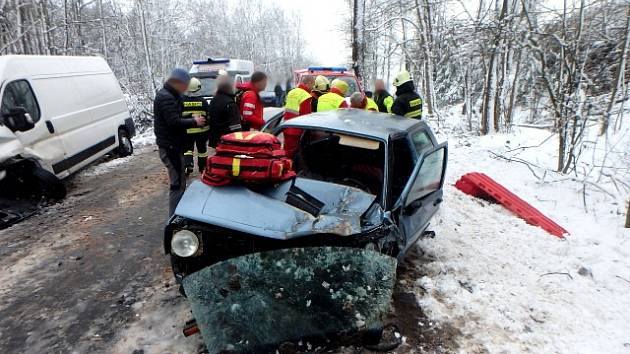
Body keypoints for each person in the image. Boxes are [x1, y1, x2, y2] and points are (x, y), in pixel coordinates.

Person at [154, 68, 206, 216]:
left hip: (174, 145)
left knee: (180, 180)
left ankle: (181, 212)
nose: (186, 88)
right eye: (185, 85)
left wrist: (190, 114)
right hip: (169, 147)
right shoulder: (166, 97)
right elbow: (173, 122)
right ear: (178, 83)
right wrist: (194, 121)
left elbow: (178, 113)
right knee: (176, 184)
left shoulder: (173, 95)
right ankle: (174, 217)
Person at [181, 77, 210, 175]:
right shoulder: (203, 101)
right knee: (202, 150)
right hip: (202, 132)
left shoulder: (181, 101)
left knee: (187, 149)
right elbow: (208, 117)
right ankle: (203, 168)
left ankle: (188, 165)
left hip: (187, 132)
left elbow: (178, 116)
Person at [283, 76, 315, 157]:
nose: (313, 88)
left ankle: (285, 168)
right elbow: (305, 117)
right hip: (297, 131)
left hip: (286, 127)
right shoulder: (305, 96)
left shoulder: (292, 92)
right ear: (309, 83)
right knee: (295, 155)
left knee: (286, 153)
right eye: (313, 85)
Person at [208, 73, 242, 148]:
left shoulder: (214, 100)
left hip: (215, 140)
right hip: (228, 141)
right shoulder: (230, 103)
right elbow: (235, 126)